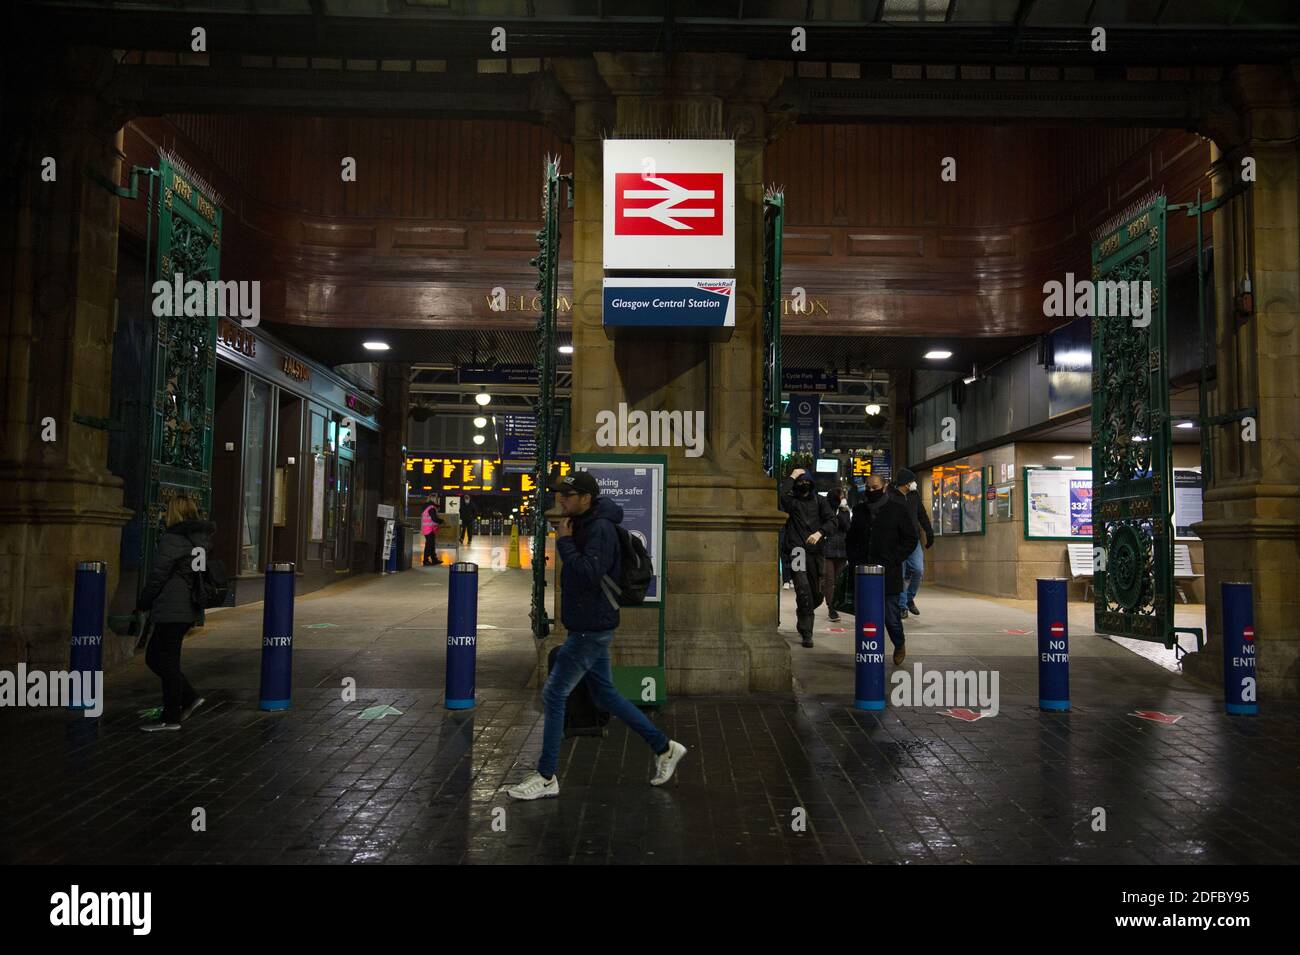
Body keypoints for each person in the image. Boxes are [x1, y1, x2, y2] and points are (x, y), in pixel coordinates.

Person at [507, 472, 686, 800]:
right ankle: (664, 747)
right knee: (606, 696)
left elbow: (590, 573)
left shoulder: (599, 528)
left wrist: (564, 542)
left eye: (568, 495)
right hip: (589, 624)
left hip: (591, 628)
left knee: (554, 694)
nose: (561, 499)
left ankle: (546, 776)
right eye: (560, 494)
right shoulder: (585, 523)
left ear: (586, 498)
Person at [136, 496, 213, 732]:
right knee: (159, 658)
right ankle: (189, 698)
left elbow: (159, 574)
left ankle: (171, 717)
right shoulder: (200, 540)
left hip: (171, 606)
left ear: (174, 513)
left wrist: (144, 600)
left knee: (163, 660)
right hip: (188, 606)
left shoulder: (173, 539)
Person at [848, 474, 917, 666]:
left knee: (890, 617)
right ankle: (868, 655)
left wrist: (894, 559)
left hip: (888, 573)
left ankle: (899, 643)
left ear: (885, 487)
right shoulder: (860, 511)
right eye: (868, 488)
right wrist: (854, 560)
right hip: (863, 574)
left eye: (875, 487)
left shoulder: (897, 510)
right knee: (866, 618)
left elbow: (910, 539)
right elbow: (851, 539)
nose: (871, 491)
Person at [779, 467, 839, 648]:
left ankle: (803, 612)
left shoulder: (820, 501)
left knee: (817, 595)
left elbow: (832, 521)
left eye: (806, 481)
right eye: (800, 481)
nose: (803, 484)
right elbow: (781, 495)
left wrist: (820, 533)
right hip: (797, 551)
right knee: (803, 590)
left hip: (815, 552)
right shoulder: (792, 502)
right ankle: (807, 631)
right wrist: (792, 476)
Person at [891, 468, 934, 618]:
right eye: (912, 481)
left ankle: (909, 598)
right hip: (898, 542)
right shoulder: (891, 497)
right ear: (905, 483)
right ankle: (902, 606)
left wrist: (929, 531)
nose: (914, 483)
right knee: (901, 574)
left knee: (918, 570)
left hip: (914, 540)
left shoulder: (914, 496)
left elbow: (922, 515)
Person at [820, 486, 851, 622]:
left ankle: (835, 604)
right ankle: (831, 608)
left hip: (842, 551)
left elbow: (847, 527)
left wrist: (843, 511)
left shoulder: (845, 511)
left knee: (838, 581)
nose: (843, 498)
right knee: (829, 580)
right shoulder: (825, 510)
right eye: (841, 496)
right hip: (827, 550)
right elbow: (828, 526)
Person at [420, 497, 440, 566]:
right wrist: (441, 521)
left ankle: (434, 559)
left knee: (431, 545)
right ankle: (425, 561)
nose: (438, 501)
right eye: (437, 499)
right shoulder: (431, 508)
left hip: (428, 529)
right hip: (429, 529)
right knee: (429, 545)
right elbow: (434, 518)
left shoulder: (427, 507)